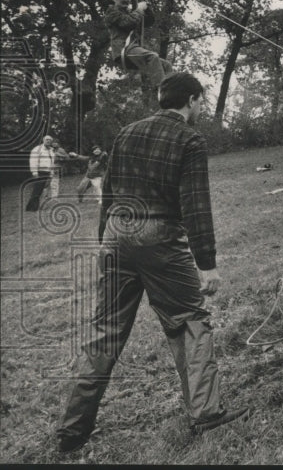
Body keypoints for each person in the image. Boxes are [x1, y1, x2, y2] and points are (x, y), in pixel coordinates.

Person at [56, 72, 248, 453]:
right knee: (189, 321)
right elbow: (196, 204)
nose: (200, 107)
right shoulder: (190, 139)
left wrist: (103, 240)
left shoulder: (126, 132)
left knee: (105, 330)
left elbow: (108, 191)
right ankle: (206, 413)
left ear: (162, 98)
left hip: (115, 231)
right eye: (200, 101)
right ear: (191, 100)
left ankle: (71, 432)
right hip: (158, 235)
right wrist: (206, 263)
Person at [104, 0, 173, 88]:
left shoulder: (131, 13)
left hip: (132, 50)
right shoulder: (111, 12)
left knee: (166, 65)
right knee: (153, 56)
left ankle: (172, 92)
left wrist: (146, 4)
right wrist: (140, 9)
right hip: (124, 50)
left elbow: (149, 21)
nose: (125, 0)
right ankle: (163, 89)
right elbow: (127, 23)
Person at [25, 135, 57, 211]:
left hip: (48, 172)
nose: (48, 141)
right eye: (46, 140)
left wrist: (51, 173)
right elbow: (33, 161)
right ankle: (31, 208)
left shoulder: (52, 150)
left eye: (49, 140)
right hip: (40, 172)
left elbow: (52, 162)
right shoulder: (37, 149)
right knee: (37, 190)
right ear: (43, 140)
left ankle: (40, 206)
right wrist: (35, 173)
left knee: (44, 189)